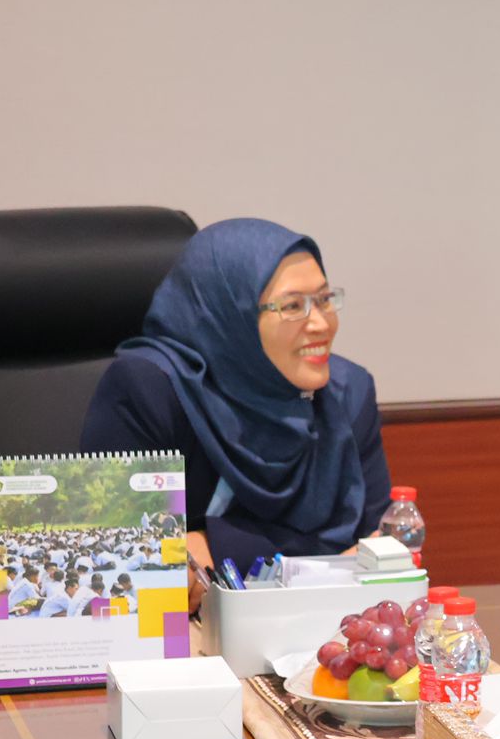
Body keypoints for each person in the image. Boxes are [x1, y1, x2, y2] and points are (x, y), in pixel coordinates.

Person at [80, 218, 393, 609]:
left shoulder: (347, 393)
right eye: (294, 306)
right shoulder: (149, 388)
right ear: (231, 315)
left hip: (316, 636)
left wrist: (212, 542)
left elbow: (382, 552)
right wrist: (320, 562)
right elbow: (120, 563)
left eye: (325, 300)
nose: (321, 323)